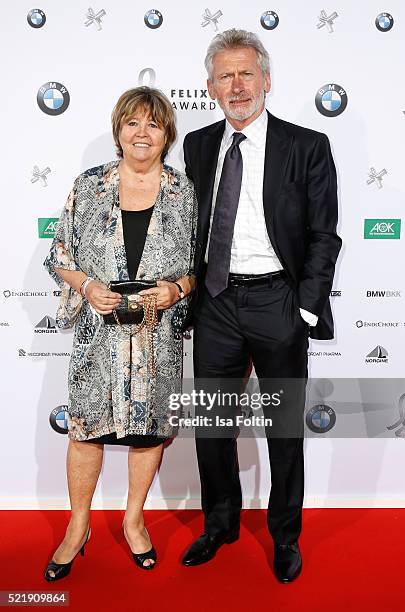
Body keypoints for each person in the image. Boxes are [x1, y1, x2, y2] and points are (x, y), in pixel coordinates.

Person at [181, 29, 341, 582]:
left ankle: (285, 537)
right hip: (217, 302)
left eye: (246, 73)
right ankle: (220, 524)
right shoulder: (199, 145)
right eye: (225, 76)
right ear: (210, 88)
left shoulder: (307, 145)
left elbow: (325, 235)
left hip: (279, 299)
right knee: (212, 427)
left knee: (284, 430)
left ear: (267, 80)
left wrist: (303, 309)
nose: (237, 85)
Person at [43, 86, 196, 579]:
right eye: (133, 123)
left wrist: (177, 288)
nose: (142, 133)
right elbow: (60, 256)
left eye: (153, 124)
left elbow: (201, 267)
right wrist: (87, 285)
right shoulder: (88, 186)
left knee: (148, 433)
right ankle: (77, 526)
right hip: (98, 338)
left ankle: (134, 522)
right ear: (118, 131)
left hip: (157, 339)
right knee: (86, 431)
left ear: (166, 133)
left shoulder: (183, 192)